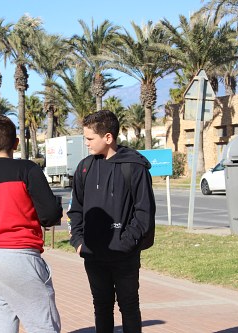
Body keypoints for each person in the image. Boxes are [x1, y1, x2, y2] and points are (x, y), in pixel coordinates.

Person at [0, 115, 62, 333]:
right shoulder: (27, 170)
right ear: (16, 143)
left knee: (1, 325)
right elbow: (50, 215)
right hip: (20, 256)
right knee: (43, 325)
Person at [67, 110, 156, 333]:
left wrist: (125, 243)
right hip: (93, 254)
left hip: (124, 255)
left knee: (129, 307)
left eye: (89, 139)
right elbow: (75, 208)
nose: (86, 143)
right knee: (102, 307)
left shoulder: (134, 167)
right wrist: (78, 241)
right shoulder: (84, 167)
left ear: (108, 137)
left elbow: (144, 212)